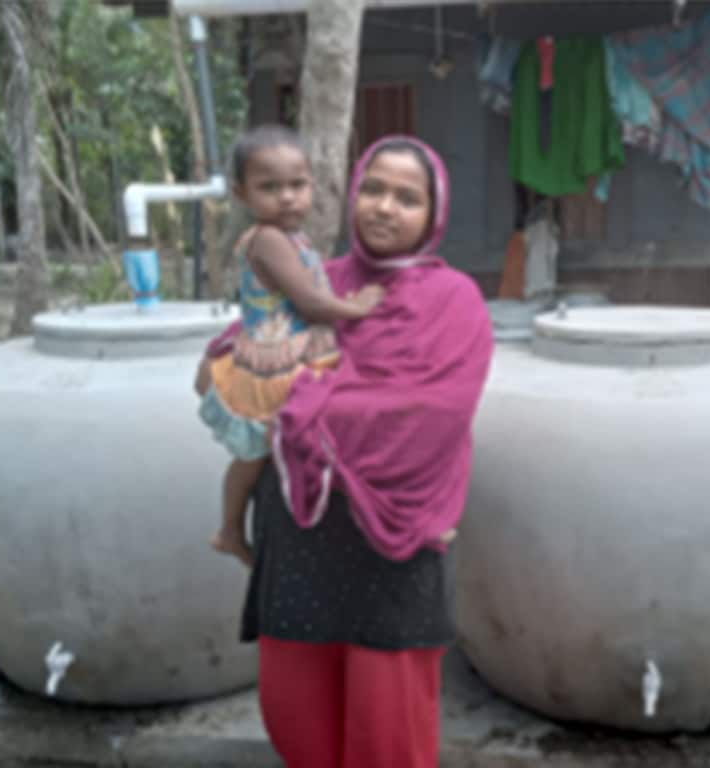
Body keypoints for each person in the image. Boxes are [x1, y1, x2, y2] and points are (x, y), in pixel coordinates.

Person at [241, 136, 494, 768]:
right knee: (296, 706)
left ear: (433, 215)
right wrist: (259, 375)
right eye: (374, 189)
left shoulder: (455, 301)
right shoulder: (319, 281)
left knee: (388, 725)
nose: (384, 208)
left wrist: (305, 403)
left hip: (395, 530)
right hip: (304, 521)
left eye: (407, 198)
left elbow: (431, 414)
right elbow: (244, 356)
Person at [194, 125, 384, 568]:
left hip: (295, 349)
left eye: (297, 185)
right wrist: (360, 307)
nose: (287, 197)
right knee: (253, 452)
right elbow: (311, 302)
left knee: (268, 449)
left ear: (312, 185)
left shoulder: (294, 238)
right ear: (242, 194)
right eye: (269, 187)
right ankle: (228, 528)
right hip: (271, 364)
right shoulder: (268, 240)